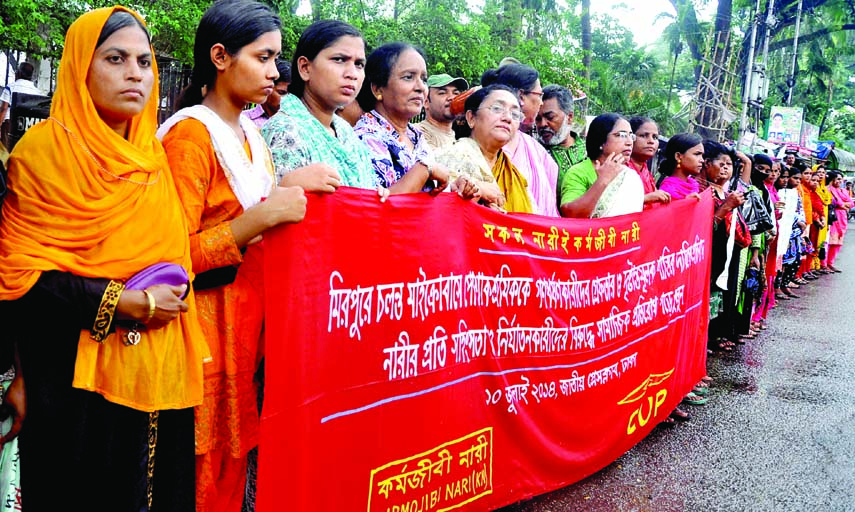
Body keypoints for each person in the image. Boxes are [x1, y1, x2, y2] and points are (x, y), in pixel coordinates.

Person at [0, 7, 210, 510]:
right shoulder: (43, 154)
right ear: (78, 67)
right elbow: (21, 278)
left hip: (156, 371)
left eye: (143, 61)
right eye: (115, 59)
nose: (135, 73)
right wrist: (123, 301)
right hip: (71, 381)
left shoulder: (152, 160)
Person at [157, 2, 308, 511]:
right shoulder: (190, 136)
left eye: (277, 59)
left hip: (244, 336)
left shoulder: (251, 136)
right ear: (220, 57)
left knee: (230, 468)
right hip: (202, 337)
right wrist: (260, 220)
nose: (274, 72)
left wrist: (288, 191)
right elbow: (168, 258)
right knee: (197, 476)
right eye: (264, 57)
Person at [263, 20, 380, 190]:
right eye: (339, 59)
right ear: (305, 68)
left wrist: (374, 196)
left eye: (359, 64)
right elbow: (278, 206)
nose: (352, 74)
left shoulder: (345, 132)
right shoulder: (285, 131)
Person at [356, 43, 478, 198]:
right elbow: (376, 206)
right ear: (378, 89)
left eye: (424, 79)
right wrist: (424, 169)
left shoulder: (415, 136)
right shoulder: (366, 137)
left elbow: (427, 192)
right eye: (408, 77)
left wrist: (454, 189)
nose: (421, 87)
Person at [433, 84, 528, 212]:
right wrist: (478, 190)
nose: (508, 118)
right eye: (497, 108)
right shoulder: (448, 157)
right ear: (471, 118)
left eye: (515, 114)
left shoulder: (514, 175)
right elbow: (435, 209)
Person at [481, 64, 560, 217]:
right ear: (522, 96)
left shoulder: (535, 149)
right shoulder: (480, 143)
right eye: (539, 95)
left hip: (537, 235)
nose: (541, 103)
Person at [558, 113, 643, 218]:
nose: (629, 142)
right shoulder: (578, 172)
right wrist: (603, 180)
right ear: (601, 141)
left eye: (631, 136)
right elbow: (571, 214)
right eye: (621, 135)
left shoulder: (630, 176)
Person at [535, 85, 586, 178]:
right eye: (537, 119)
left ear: (569, 117)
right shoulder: (533, 154)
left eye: (550, 117)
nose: (542, 124)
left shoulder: (590, 150)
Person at [415, 73, 468, 151]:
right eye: (442, 93)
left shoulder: (454, 135)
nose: (452, 98)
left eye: (456, 93)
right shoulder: (417, 133)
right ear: (426, 102)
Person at [627, 116, 671, 207]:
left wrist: (686, 202)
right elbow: (611, 205)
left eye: (655, 137)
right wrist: (646, 198)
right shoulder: (619, 168)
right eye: (643, 135)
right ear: (630, 138)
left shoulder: (646, 171)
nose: (651, 141)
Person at [0, 62, 43, 147]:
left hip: (10, 126)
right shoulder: (38, 92)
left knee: (6, 151)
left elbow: (3, 109)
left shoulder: (11, 87)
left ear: (19, 73)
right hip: (28, 127)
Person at [242, 60, 291, 129]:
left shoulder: (298, 123)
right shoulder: (244, 121)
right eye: (282, 93)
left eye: (291, 95)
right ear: (268, 88)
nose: (287, 99)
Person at [657, 133, 704, 200]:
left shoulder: (694, 185)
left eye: (702, 155)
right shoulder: (668, 190)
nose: (702, 160)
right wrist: (684, 203)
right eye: (697, 154)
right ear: (678, 156)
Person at [826, 170, 854, 271]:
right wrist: (844, 204)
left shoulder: (844, 191)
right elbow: (838, 203)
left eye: (840, 179)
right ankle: (824, 263)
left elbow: (851, 203)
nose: (839, 181)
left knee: (838, 241)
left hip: (843, 217)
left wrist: (844, 204)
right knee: (830, 241)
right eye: (837, 179)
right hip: (834, 216)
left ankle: (830, 263)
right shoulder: (830, 189)